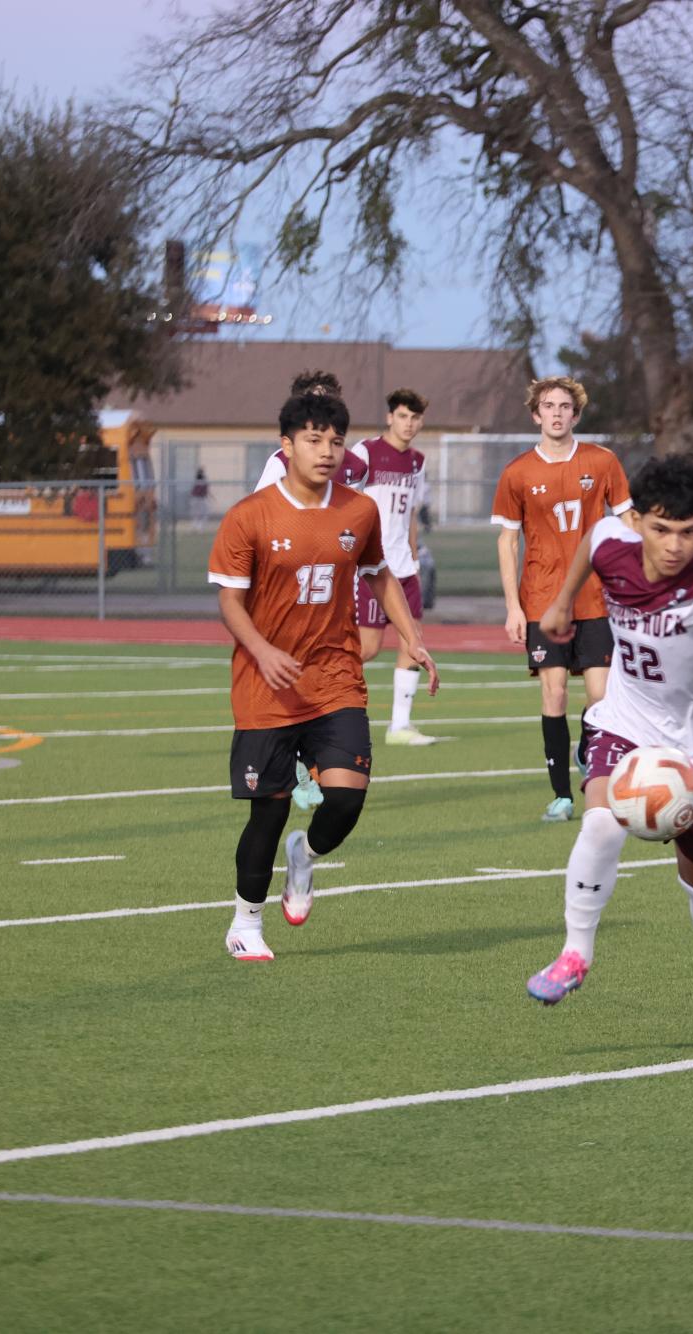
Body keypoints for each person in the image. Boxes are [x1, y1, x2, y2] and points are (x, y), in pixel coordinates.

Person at [525, 453, 693, 1044]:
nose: (673, 545)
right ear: (637, 519)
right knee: (599, 827)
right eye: (661, 528)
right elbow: (591, 542)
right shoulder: (612, 539)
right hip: (626, 721)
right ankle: (574, 954)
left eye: (689, 532)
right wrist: (564, 602)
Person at [207, 384, 437, 962]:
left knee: (347, 800)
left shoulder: (359, 511)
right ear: (287, 446)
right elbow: (231, 603)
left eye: (335, 440)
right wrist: (262, 651)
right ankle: (245, 922)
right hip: (267, 685)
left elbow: (380, 574)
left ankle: (304, 856)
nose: (328, 451)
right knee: (271, 805)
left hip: (335, 675)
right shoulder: (249, 516)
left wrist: (413, 638)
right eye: (314, 440)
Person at [491, 375, 633, 822]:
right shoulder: (517, 472)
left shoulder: (602, 461)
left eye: (564, 406)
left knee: (601, 698)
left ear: (576, 414)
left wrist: (638, 579)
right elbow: (507, 542)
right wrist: (513, 606)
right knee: (553, 695)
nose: (556, 413)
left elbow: (628, 519)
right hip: (541, 600)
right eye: (548, 406)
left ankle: (588, 746)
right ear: (536, 415)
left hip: (596, 598)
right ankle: (563, 796)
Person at [254, 371, 370, 809]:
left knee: (335, 671)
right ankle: (301, 762)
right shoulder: (278, 463)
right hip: (287, 591)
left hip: (335, 590)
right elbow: (260, 521)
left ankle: (322, 763)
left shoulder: (354, 466)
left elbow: (355, 524)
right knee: (293, 676)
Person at [352, 387, 438, 746]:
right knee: (367, 648)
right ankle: (321, 697)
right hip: (372, 569)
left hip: (404, 568)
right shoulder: (366, 452)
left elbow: (413, 514)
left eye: (415, 418)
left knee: (412, 643)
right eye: (403, 416)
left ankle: (399, 726)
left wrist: (416, 560)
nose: (409, 423)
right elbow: (346, 500)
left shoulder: (417, 462)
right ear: (390, 417)